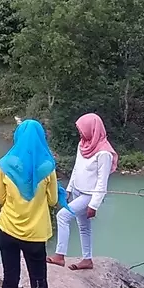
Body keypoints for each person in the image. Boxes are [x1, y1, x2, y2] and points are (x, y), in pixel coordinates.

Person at [0, 120, 58, 288]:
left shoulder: (5, 164)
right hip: (35, 237)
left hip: (7, 231)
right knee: (39, 287)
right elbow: (52, 201)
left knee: (10, 279)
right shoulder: (47, 166)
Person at [48, 113, 118, 272]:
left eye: (81, 129)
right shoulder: (83, 145)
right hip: (78, 191)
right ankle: (87, 259)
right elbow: (76, 169)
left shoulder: (104, 153)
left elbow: (102, 181)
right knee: (83, 226)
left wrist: (94, 205)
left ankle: (60, 255)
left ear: (92, 129)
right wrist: (69, 189)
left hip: (89, 195)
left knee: (62, 216)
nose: (79, 132)